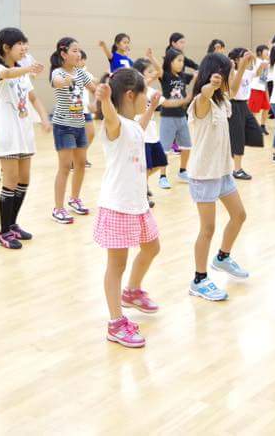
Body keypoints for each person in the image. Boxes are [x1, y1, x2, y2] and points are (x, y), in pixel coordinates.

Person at [93, 72, 162, 348]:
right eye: (146, 93)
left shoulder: (132, 125)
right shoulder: (115, 124)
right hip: (118, 206)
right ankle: (115, 323)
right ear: (131, 95)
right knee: (116, 265)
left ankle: (132, 291)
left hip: (138, 204)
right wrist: (106, 100)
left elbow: (139, 131)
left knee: (152, 247)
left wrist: (152, 108)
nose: (148, 96)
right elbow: (111, 117)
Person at [186, 52, 252, 301]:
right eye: (227, 74)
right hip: (204, 175)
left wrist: (242, 66)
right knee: (208, 228)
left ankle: (222, 257)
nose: (229, 78)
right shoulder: (200, 102)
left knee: (239, 215)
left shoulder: (222, 100)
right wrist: (209, 86)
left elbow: (232, 90)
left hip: (223, 172)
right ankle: (199, 280)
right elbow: (204, 94)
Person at [0, 27, 51, 248]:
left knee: (24, 180)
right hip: (8, 134)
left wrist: (44, 118)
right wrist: (27, 69)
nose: (25, 48)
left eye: (25, 43)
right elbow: (7, 74)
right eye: (20, 44)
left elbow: (33, 98)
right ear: (6, 47)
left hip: (24, 133)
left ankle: (13, 225)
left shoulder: (23, 74)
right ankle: (4, 232)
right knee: (11, 181)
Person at [49, 37, 98, 224]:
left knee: (80, 164)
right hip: (63, 126)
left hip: (79, 124)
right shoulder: (58, 72)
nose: (78, 54)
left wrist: (97, 99)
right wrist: (67, 80)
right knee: (64, 167)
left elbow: (94, 89)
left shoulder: (81, 73)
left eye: (79, 50)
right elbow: (57, 82)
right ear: (64, 54)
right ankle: (58, 208)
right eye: (74, 51)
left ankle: (74, 199)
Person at [157, 48, 194, 188]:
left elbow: (197, 77)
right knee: (165, 148)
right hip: (168, 116)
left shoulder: (183, 76)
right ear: (170, 62)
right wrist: (152, 58)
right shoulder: (165, 75)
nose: (181, 63)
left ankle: (183, 171)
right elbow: (159, 70)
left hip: (182, 116)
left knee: (187, 146)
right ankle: (162, 176)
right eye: (179, 60)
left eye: (182, 61)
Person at [132, 57, 167, 207]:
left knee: (160, 162)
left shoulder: (152, 91)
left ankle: (141, 183)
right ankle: (142, 194)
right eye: (149, 72)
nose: (153, 74)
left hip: (152, 134)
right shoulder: (134, 92)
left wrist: (184, 101)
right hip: (141, 134)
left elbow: (165, 102)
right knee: (145, 167)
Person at [227, 47, 263, 180]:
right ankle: (237, 169)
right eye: (243, 56)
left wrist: (254, 59)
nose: (246, 58)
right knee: (239, 138)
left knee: (256, 133)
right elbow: (231, 88)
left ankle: (232, 150)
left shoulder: (247, 72)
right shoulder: (232, 72)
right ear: (237, 59)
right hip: (234, 105)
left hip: (244, 105)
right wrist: (234, 68)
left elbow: (258, 73)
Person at [247, 44, 271, 136]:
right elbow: (252, 55)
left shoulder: (267, 62)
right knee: (254, 111)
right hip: (255, 89)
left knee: (266, 108)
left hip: (263, 89)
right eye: (266, 51)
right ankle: (249, 128)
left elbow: (264, 78)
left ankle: (262, 126)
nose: (268, 53)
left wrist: (266, 91)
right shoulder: (257, 60)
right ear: (260, 53)